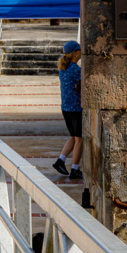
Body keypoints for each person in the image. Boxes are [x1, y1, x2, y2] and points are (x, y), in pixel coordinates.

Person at [53, 41, 83, 180]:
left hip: (66, 108)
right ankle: (75, 169)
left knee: (73, 137)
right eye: (80, 51)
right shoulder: (75, 70)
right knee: (79, 140)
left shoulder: (63, 68)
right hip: (76, 108)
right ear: (75, 53)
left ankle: (60, 160)